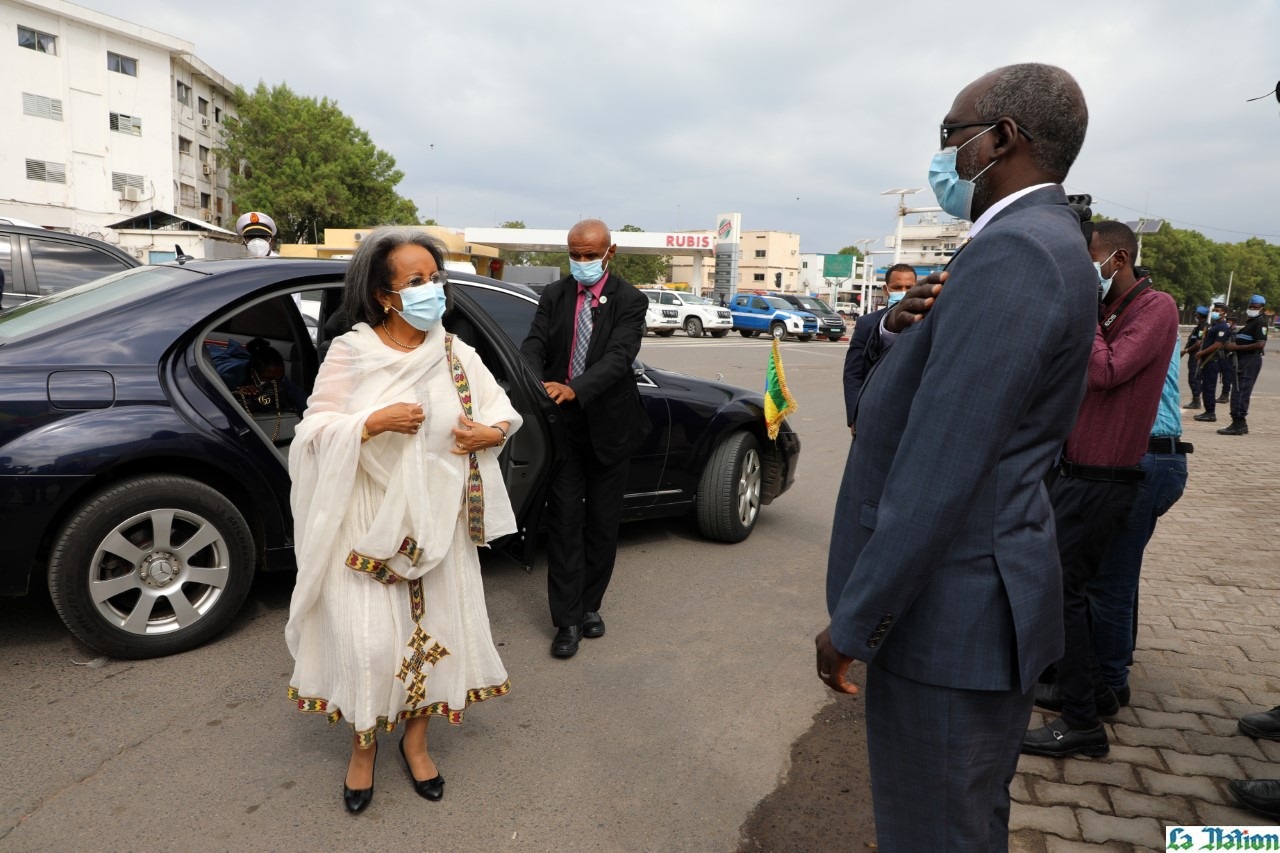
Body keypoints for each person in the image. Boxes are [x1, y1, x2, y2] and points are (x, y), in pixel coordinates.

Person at [816, 63, 1096, 850]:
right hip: (968, 613)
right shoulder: (1033, 242)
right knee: (963, 824)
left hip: (948, 621)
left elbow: (940, 472)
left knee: (935, 832)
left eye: (950, 134)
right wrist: (901, 333)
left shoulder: (1019, 252)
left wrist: (855, 620)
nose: (941, 156)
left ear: (1000, 138)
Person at [285, 227, 521, 813]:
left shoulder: (454, 352)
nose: (431, 290)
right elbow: (312, 433)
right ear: (384, 295)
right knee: (370, 645)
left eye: (435, 278)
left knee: (434, 638)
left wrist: (489, 433)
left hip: (438, 524)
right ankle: (363, 749)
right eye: (416, 281)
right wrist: (370, 424)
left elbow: (503, 413)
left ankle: (417, 744)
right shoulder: (352, 352)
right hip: (366, 521)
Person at [1022, 221, 1179, 757]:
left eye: (1089, 261)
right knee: (1072, 591)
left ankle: (1081, 722)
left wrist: (1083, 314)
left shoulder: (1156, 307)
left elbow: (1107, 370)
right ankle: (1090, 693)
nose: (1083, 272)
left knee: (1067, 593)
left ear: (1118, 259)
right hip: (1080, 470)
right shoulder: (1111, 309)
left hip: (1105, 475)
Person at [520, 219, 649, 659]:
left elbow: (618, 357)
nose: (581, 262)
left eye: (590, 255)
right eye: (574, 254)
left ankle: (590, 605)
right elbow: (534, 344)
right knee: (564, 524)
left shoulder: (631, 300)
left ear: (610, 252)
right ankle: (567, 620)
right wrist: (534, 381)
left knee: (602, 525)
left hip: (610, 427)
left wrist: (576, 387)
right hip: (563, 429)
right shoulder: (554, 296)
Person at [1084, 339, 1189, 707]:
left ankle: (1109, 682)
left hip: (1144, 456)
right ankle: (1107, 665)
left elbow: (1106, 371)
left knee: (1110, 580)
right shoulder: (1129, 320)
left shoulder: (1147, 318)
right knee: (1111, 574)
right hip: (1144, 456)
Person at [842, 263, 917, 433]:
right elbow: (853, 373)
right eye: (897, 287)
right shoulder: (867, 324)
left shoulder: (929, 321)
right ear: (886, 289)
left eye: (909, 287)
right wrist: (854, 416)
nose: (903, 292)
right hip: (876, 411)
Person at [1218, 294, 1269, 435]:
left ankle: (1238, 424)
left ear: (1262, 308)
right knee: (1237, 390)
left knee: (1241, 391)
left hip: (1250, 360)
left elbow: (1260, 344)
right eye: (1250, 306)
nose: (1252, 309)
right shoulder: (1250, 323)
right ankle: (1240, 423)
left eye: (1255, 307)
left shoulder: (1260, 323)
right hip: (1241, 360)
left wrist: (1236, 347)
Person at [1193, 306, 1231, 423]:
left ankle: (1210, 413)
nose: (1215, 312)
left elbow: (1217, 345)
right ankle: (1207, 411)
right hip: (1207, 360)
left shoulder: (1222, 327)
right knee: (1205, 386)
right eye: (1214, 310)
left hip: (1213, 361)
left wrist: (1201, 353)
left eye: (1217, 311)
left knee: (1209, 387)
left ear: (1224, 313)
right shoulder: (1214, 325)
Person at [1182, 305, 1208, 409]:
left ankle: (1196, 401)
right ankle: (1196, 399)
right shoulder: (1199, 326)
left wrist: (1186, 350)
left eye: (1196, 313)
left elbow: (1198, 343)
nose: (1195, 315)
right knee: (1193, 378)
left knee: (1194, 378)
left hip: (1197, 356)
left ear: (1199, 315)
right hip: (1193, 355)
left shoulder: (1204, 327)